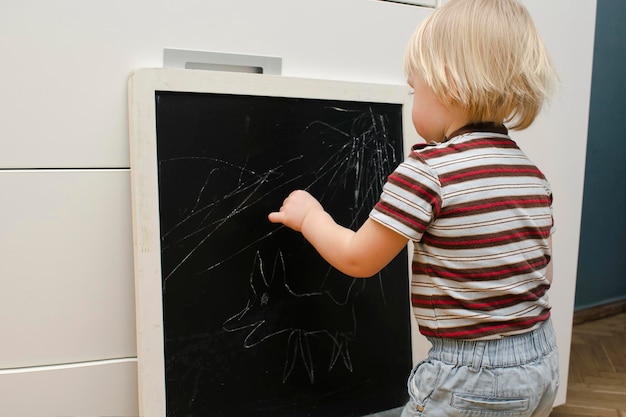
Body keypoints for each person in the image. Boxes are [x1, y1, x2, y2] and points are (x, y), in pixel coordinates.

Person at [268, 0, 560, 415]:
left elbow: (358, 258)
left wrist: (310, 217)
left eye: (414, 89)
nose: (411, 100)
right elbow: (542, 271)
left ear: (449, 84)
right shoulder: (531, 174)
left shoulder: (429, 171)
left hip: (470, 377)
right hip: (540, 361)